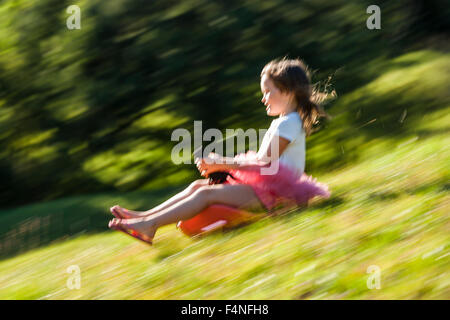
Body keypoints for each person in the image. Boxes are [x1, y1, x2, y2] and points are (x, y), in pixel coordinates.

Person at [108, 57, 332, 245]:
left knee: (206, 194)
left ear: (288, 92)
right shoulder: (285, 121)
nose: (263, 98)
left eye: (267, 92)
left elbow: (265, 163)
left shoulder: (288, 123)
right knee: (197, 186)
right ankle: (146, 217)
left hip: (280, 196)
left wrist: (221, 163)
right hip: (270, 189)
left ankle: (150, 225)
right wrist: (220, 164)